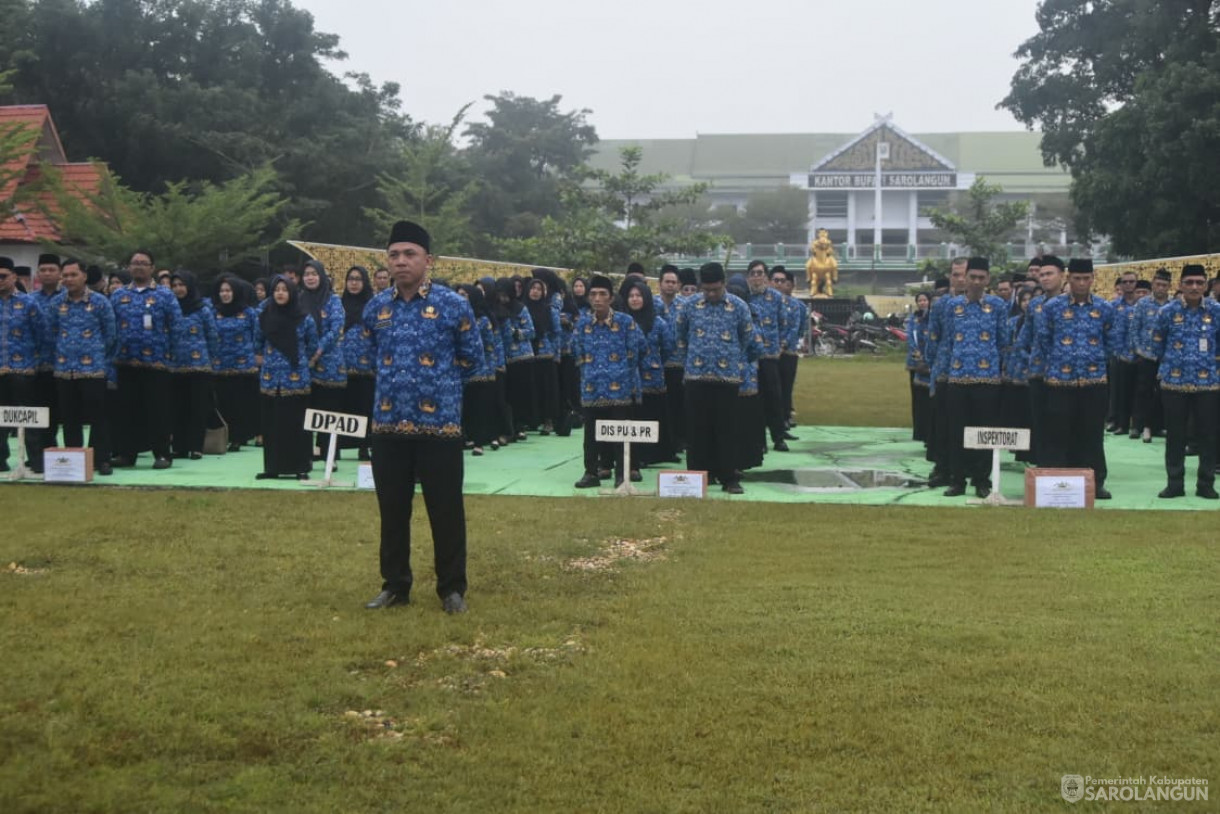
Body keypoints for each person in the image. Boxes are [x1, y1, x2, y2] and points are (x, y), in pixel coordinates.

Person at [361, 220, 481, 614]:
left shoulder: (452, 305)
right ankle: (395, 585)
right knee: (392, 511)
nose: (401, 262)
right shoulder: (376, 307)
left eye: (409, 254)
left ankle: (451, 589)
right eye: (394, 255)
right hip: (387, 425)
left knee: (445, 510)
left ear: (428, 260)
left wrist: (439, 388)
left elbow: (472, 358)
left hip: (439, 427)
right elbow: (363, 356)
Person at [675, 262, 761, 494]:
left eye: (715, 289)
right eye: (707, 290)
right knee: (697, 429)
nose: (711, 294)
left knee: (727, 428)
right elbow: (680, 336)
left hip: (727, 378)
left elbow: (747, 339)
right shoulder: (689, 306)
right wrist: (689, 361)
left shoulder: (739, 307)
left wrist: (732, 358)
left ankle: (729, 477)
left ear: (723, 284)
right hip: (696, 377)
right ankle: (698, 476)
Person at [1036, 258, 1116, 499]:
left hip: (1094, 382)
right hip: (1060, 381)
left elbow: (1112, 343)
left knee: (1092, 434)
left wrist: (1095, 360)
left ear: (1093, 279)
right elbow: (1043, 340)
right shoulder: (1052, 307)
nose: (1081, 283)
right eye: (1077, 278)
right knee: (1058, 433)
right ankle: (1057, 483)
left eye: (1086, 278)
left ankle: (1095, 483)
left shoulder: (1105, 308)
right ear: (1069, 279)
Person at [937, 258, 1008, 497]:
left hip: (987, 379)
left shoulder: (998, 305)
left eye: (981, 278)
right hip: (957, 378)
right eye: (972, 277)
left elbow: (1004, 340)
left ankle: (982, 480)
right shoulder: (952, 306)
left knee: (985, 431)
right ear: (964, 278)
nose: (977, 282)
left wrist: (1001, 370)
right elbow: (946, 340)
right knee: (956, 430)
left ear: (988, 280)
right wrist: (942, 372)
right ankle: (957, 480)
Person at [1150, 264, 1219, 499]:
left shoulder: (1216, 311)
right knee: (1175, 436)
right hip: (1174, 382)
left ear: (1206, 285)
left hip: (1208, 383)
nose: (1194, 287)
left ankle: (1206, 484)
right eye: (1189, 282)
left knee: (1208, 435)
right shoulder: (1167, 312)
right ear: (1180, 285)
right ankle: (1175, 483)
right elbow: (1157, 344)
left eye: (1199, 282)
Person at [110, 249, 182, 469]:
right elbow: (109, 327)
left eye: (144, 263)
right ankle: (126, 454)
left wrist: (170, 355)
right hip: (125, 362)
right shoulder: (118, 295)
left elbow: (177, 327)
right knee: (126, 411)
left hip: (157, 363)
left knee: (158, 411)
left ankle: (162, 454)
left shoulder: (165, 295)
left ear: (152, 268)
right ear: (129, 268)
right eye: (135, 263)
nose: (139, 266)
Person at [572, 274, 646, 489]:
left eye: (602, 294)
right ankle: (590, 472)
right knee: (591, 435)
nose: (597, 299)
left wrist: (623, 373)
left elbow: (638, 349)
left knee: (620, 434)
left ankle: (622, 475)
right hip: (592, 388)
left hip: (620, 389)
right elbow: (576, 350)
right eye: (593, 294)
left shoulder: (626, 322)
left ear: (611, 298)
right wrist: (588, 371)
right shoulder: (583, 323)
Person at [49, 259, 116, 475]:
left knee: (98, 417)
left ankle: (102, 459)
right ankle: (74, 462)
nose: (68, 279)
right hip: (64, 370)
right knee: (69, 418)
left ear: (84, 276)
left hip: (93, 369)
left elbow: (111, 334)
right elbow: (50, 333)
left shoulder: (100, 302)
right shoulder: (56, 303)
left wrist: (96, 354)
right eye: (65, 275)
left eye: (73, 275)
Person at [256, 275, 318, 480]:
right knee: (272, 424)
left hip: (296, 378)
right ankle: (272, 467)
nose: (280, 293)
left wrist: (299, 362)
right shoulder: (264, 316)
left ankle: (300, 467)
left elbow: (311, 345)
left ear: (292, 292)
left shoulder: (304, 318)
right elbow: (257, 343)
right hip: (271, 378)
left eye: (284, 289)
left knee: (296, 423)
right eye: (276, 290)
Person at [620, 277, 675, 466]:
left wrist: (655, 362)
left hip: (652, 378)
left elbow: (668, 347)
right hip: (628, 378)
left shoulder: (658, 322)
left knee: (652, 414)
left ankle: (654, 454)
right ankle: (634, 456)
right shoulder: (622, 321)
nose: (635, 299)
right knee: (633, 416)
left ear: (646, 298)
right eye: (631, 296)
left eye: (639, 295)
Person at [297, 260, 347, 460]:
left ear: (321, 277)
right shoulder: (299, 300)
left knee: (328, 410)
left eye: (314, 274)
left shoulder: (333, 300)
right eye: (306, 274)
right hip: (304, 363)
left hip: (330, 362)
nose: (310, 278)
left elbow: (336, 329)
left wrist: (318, 349)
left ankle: (329, 454)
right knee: (307, 410)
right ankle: (307, 453)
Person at [1019, 255, 1067, 465]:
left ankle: (1064, 467)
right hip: (1038, 374)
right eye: (1042, 275)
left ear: (1062, 276)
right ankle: (1043, 467)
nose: (1045, 278)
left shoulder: (1070, 304)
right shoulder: (1035, 305)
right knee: (1040, 423)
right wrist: (1030, 360)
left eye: (1050, 274)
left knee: (1062, 423)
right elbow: (1023, 339)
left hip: (1065, 375)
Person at [924, 258, 968, 485]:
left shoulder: (982, 304)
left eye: (964, 274)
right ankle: (942, 467)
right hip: (944, 369)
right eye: (955, 274)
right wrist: (933, 365)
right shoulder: (940, 304)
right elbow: (933, 335)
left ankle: (966, 468)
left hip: (971, 371)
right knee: (942, 423)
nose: (960, 279)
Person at [0, 257, 45, 473]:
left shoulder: (29, 303)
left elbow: (42, 335)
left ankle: (35, 460)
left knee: (28, 418)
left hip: (24, 370)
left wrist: (34, 364)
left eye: (3, 276)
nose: (0, 280)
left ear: (14, 277)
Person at [169, 270, 218, 460]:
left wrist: (211, 360)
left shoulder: (202, 309)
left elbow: (212, 336)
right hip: (175, 365)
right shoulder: (170, 309)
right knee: (178, 408)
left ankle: (196, 446)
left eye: (182, 285)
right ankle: (179, 446)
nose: (178, 289)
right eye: (175, 285)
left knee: (198, 408)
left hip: (200, 366)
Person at [743, 260, 791, 452]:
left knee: (774, 397)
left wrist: (782, 346)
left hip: (770, 356)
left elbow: (784, 324)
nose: (756, 277)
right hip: (750, 359)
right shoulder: (744, 298)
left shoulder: (776, 298)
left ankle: (778, 437)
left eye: (760, 273)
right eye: (753, 273)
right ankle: (759, 442)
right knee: (755, 400)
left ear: (766, 277)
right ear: (748, 277)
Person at [211, 275, 261, 451]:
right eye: (222, 291)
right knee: (223, 401)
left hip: (243, 366)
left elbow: (257, 336)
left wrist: (256, 356)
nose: (225, 294)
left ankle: (239, 438)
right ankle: (224, 436)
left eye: (228, 290)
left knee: (241, 402)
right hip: (220, 364)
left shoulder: (248, 313)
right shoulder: (213, 312)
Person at [29, 253, 64, 472]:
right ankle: (37, 456)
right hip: (36, 365)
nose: (47, 273)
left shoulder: (69, 297)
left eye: (52, 269)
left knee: (62, 413)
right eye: (43, 270)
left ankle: (63, 455)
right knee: (39, 413)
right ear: (38, 273)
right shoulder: (30, 300)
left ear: (60, 273)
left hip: (65, 366)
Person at [456, 284, 499, 455]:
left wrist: (489, 369)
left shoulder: (482, 320)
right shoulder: (454, 318)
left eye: (464, 294)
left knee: (478, 407)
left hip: (478, 370)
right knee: (463, 407)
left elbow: (490, 346)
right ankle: (467, 437)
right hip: (459, 369)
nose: (461, 297)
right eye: (458, 294)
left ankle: (479, 442)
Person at [1131, 270, 1172, 443]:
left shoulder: (1174, 306)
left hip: (1167, 357)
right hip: (1146, 355)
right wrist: (1138, 350)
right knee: (1143, 391)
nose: (1161, 288)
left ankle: (1158, 426)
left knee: (1163, 393)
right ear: (1153, 284)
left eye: (1164, 285)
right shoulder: (1142, 304)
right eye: (1158, 284)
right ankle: (1140, 426)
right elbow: (1134, 329)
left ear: (1169, 286)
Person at [339, 266, 375, 461]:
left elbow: (383, 328)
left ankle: (364, 446)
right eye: (350, 279)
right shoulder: (339, 305)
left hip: (366, 367)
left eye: (358, 279)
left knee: (364, 407)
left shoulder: (373, 305)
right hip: (341, 367)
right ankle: (338, 446)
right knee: (344, 406)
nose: (353, 283)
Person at [493, 277, 535, 439]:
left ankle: (520, 426)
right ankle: (507, 428)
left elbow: (531, 331)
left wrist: (516, 332)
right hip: (503, 358)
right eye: (500, 296)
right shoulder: (495, 310)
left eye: (505, 295)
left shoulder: (520, 308)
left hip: (521, 357)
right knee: (506, 396)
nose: (503, 299)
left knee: (520, 395)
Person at [771, 266, 807, 430]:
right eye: (776, 281)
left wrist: (783, 345)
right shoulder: (765, 302)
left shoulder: (795, 305)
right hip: (769, 353)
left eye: (782, 281)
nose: (779, 284)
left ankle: (785, 417)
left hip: (788, 352)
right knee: (772, 388)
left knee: (786, 387)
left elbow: (796, 329)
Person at [524, 275, 561, 435]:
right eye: (533, 288)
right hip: (529, 353)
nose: (535, 292)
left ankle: (548, 420)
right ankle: (533, 419)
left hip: (545, 353)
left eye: (539, 289)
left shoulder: (548, 309)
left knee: (547, 388)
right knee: (533, 387)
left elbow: (556, 331)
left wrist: (555, 351)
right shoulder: (523, 308)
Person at [905, 292, 932, 443]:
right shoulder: (912, 319)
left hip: (930, 364)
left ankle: (929, 430)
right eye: (920, 300)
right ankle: (919, 431)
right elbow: (910, 337)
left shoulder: (932, 319)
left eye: (925, 300)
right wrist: (917, 353)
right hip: (915, 363)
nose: (922, 303)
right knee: (917, 398)